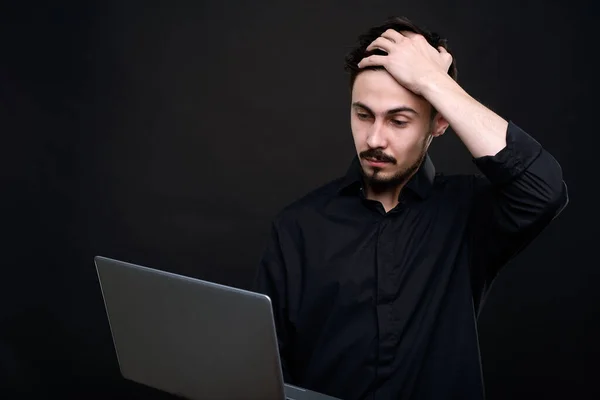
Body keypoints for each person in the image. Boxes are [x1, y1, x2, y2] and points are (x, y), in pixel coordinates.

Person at [253, 16, 568, 400]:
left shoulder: (470, 212)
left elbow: (543, 188)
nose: (374, 138)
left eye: (399, 120)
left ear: (439, 122)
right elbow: (266, 370)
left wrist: (433, 82)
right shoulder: (297, 226)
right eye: (363, 114)